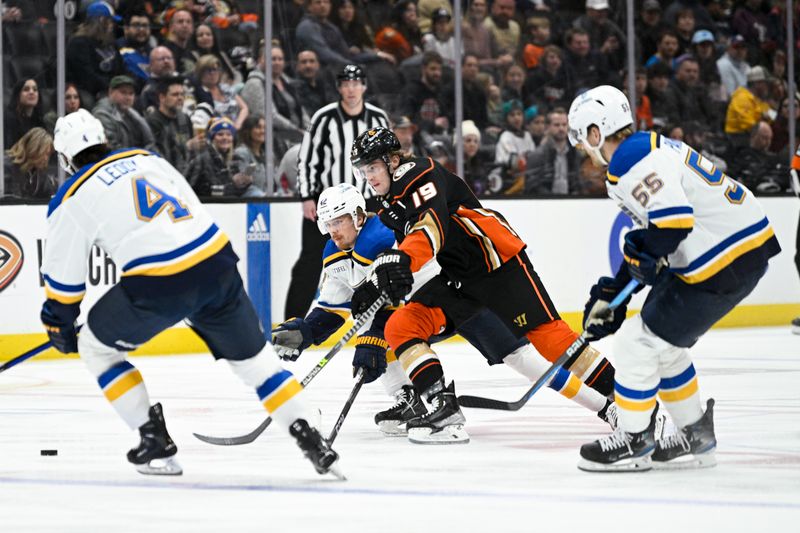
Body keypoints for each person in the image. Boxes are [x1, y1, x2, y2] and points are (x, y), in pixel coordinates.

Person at [41, 109, 340, 477]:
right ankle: (311, 437)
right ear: (105, 139)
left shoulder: (70, 196)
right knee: (257, 364)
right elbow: (191, 208)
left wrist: (60, 322)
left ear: (65, 157)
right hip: (216, 264)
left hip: (158, 282)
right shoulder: (146, 158)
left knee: (95, 347)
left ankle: (153, 440)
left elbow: (64, 283)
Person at [273, 184, 620, 439]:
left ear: (359, 216)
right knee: (392, 332)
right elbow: (336, 308)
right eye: (328, 223)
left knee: (526, 361)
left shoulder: (382, 236)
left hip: (454, 296)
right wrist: (306, 332)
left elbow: (389, 296)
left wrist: (372, 337)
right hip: (423, 308)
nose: (333, 230)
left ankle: (607, 407)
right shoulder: (334, 254)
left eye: (340, 221)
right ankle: (418, 400)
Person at [347, 127, 620, 443]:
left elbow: (431, 227)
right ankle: (442, 406)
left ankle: (624, 401)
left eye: (372, 167)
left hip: (497, 265)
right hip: (456, 278)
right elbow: (412, 248)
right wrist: (377, 280)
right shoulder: (389, 205)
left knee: (550, 339)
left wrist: (402, 261)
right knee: (401, 327)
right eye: (363, 170)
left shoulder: (421, 174)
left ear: (393, 160)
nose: (368, 176)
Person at [566, 85, 780, 471]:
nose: (585, 148)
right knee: (662, 346)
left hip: (724, 256)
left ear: (597, 131)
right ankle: (696, 433)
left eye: (584, 138)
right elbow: (660, 236)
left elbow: (673, 223)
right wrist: (615, 289)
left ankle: (633, 440)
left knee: (636, 344)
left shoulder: (629, 160)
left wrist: (639, 257)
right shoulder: (647, 148)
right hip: (736, 249)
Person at [286, 64, 390, 320]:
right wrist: (306, 197)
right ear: (339, 88)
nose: (351, 89)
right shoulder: (323, 118)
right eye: (346, 84)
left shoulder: (378, 118)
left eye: (356, 83)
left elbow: (387, 161)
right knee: (310, 262)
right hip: (327, 205)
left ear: (364, 86)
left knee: (373, 257)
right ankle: (292, 322)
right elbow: (307, 159)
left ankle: (378, 318)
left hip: (365, 203)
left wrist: (387, 197)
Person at [187, 117, 264, 198]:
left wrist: (244, 183)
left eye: (228, 134)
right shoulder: (202, 160)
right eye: (220, 134)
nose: (225, 138)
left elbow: (237, 190)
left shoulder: (234, 158)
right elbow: (203, 191)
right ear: (213, 138)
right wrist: (232, 188)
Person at [66, 1, 123, 100]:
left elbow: (122, 68)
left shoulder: (111, 43)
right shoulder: (79, 43)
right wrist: (113, 87)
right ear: (101, 21)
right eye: (110, 21)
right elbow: (87, 76)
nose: (112, 25)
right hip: (93, 94)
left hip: (113, 91)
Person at [145, 77, 199, 175]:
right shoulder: (152, 122)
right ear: (162, 97)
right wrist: (187, 147)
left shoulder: (184, 118)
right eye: (175, 95)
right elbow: (159, 158)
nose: (180, 98)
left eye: (182, 94)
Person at [92, 75, 156, 153]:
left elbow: (149, 142)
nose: (128, 97)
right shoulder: (102, 114)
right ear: (110, 92)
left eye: (131, 93)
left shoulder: (132, 114)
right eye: (123, 92)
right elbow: (112, 147)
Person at [3, 127, 56, 199]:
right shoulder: (6, 167)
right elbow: (7, 199)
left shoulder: (39, 173)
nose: (46, 158)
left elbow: (49, 194)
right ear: (33, 149)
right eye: (44, 153)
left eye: (48, 154)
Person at [4, 79, 45, 149]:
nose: (31, 92)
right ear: (18, 95)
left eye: (35, 89)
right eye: (26, 89)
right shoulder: (9, 119)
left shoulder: (40, 120)